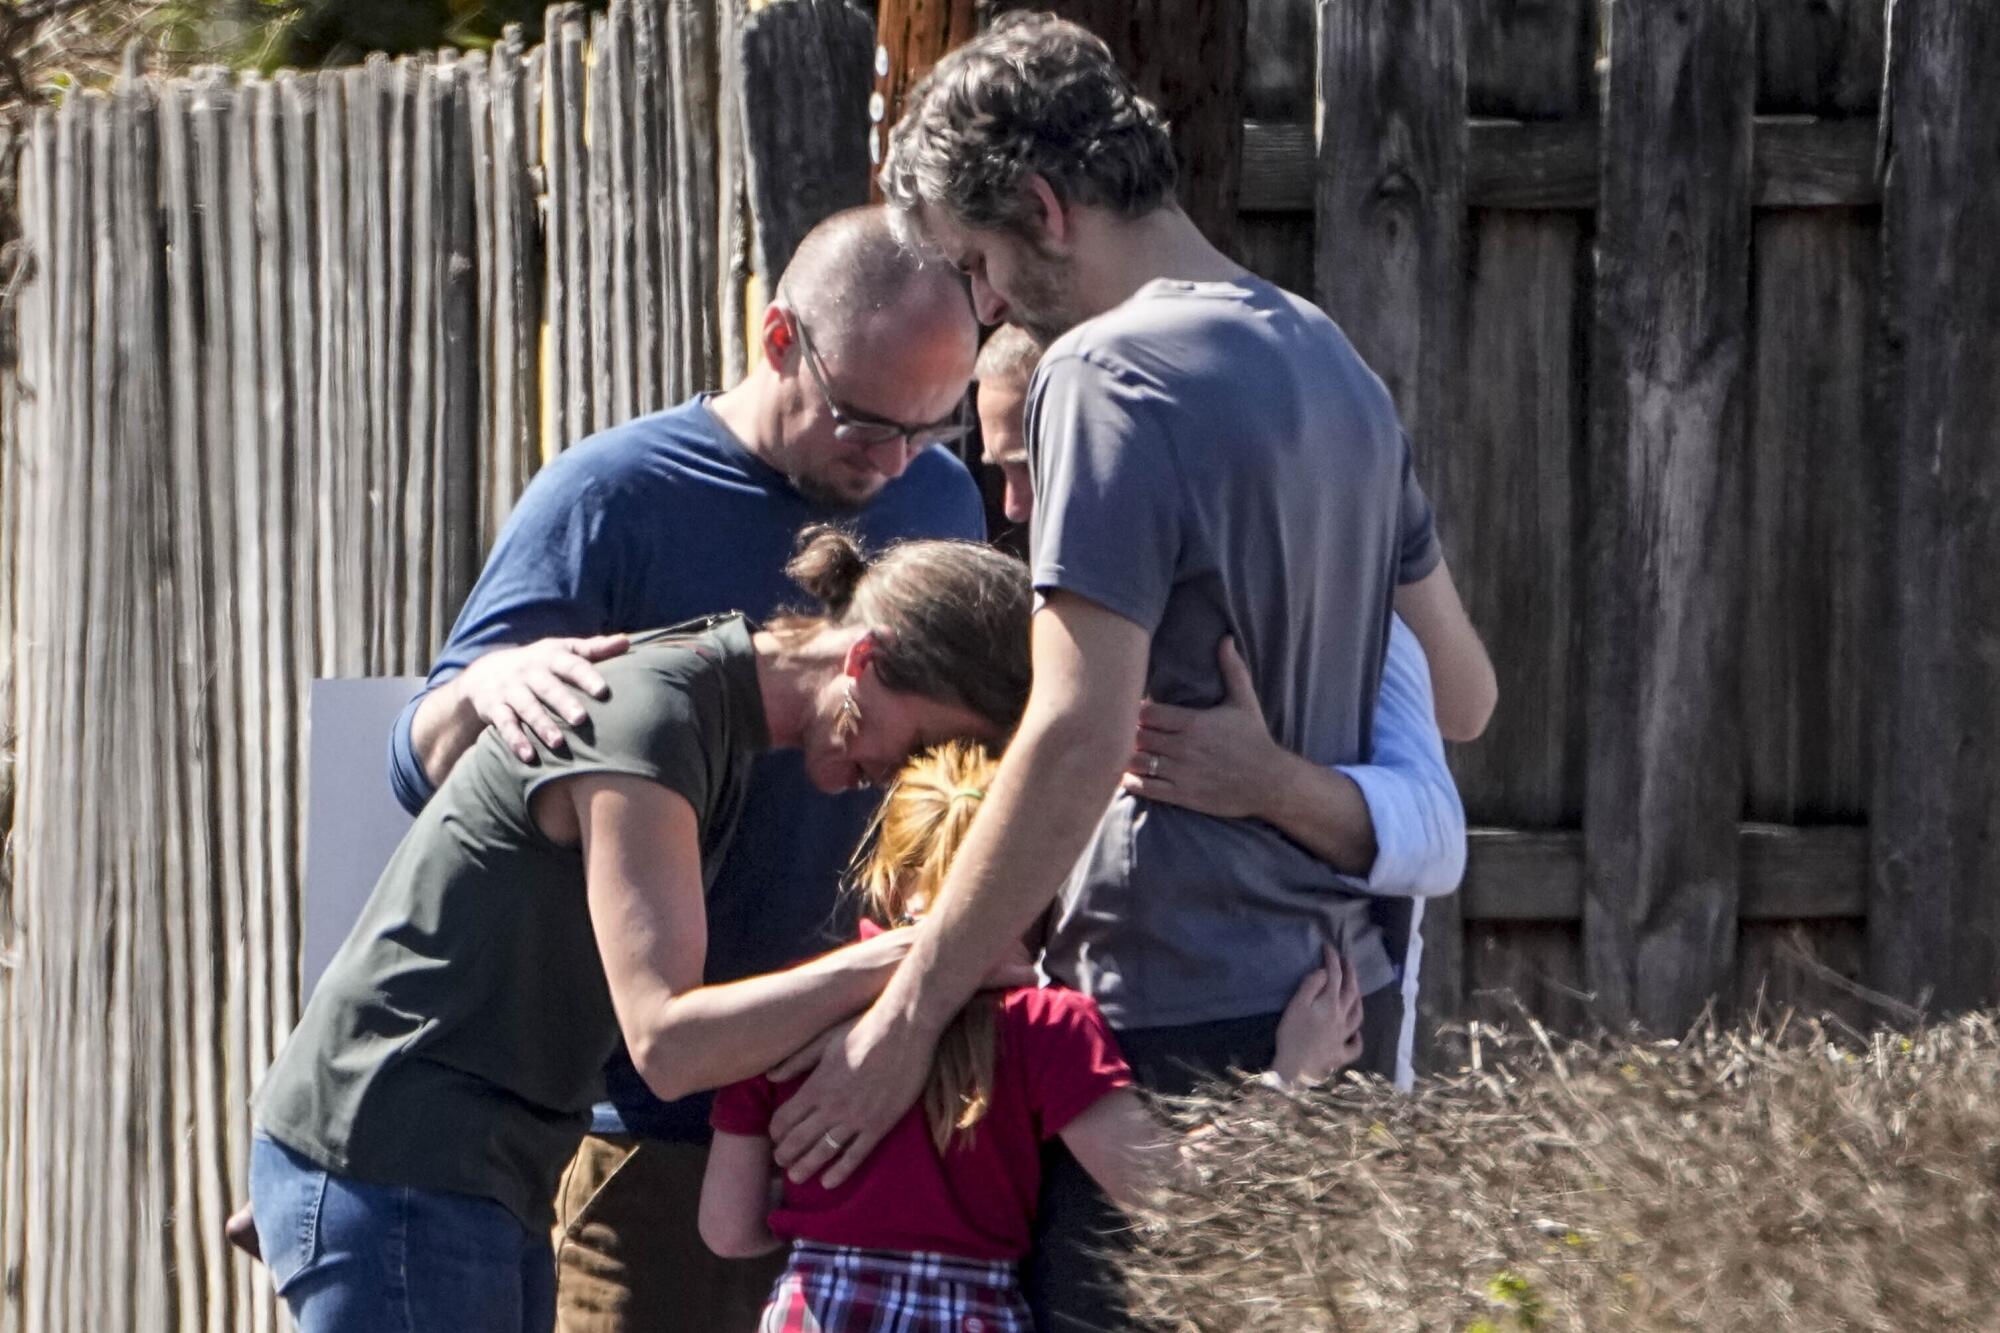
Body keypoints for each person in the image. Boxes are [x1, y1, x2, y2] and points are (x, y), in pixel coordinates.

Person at [769, 17, 1497, 1331]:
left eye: (980, 264)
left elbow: (1074, 732)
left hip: (1169, 1024)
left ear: (1046, 209)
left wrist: (912, 1015)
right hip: (1326, 1013)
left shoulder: (1102, 373)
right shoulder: (1333, 360)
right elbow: (1464, 696)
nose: (987, 304)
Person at [392, 206, 991, 1332]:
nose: (894, 462)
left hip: (851, 1105)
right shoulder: (611, 499)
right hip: (639, 1125)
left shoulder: (942, 504)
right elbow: (420, 763)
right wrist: (485, 688)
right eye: (866, 422)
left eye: (931, 427)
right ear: (778, 340)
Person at [248, 530, 1034, 1333]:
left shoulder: (709, 705)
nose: (914, 775)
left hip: (471, 1174)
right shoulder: (658, 717)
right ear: (862, 662)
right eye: (931, 743)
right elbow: (668, 1043)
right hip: (398, 1165)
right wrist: (929, 953)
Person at [696, 742, 1365, 1333]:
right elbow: (1169, 1191)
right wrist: (1290, 1077)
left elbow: (727, 1228)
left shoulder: (791, 1016)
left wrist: (834, 1219)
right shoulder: (1047, 1025)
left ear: (890, 879)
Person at [973, 323, 1470, 1092]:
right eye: (997, 470)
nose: (1010, 505)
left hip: (1300, 1021)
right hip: (1084, 1029)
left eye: (1026, 464)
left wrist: (1269, 782)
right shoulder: (1035, 606)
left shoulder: (1303, 590)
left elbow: (1439, 832)